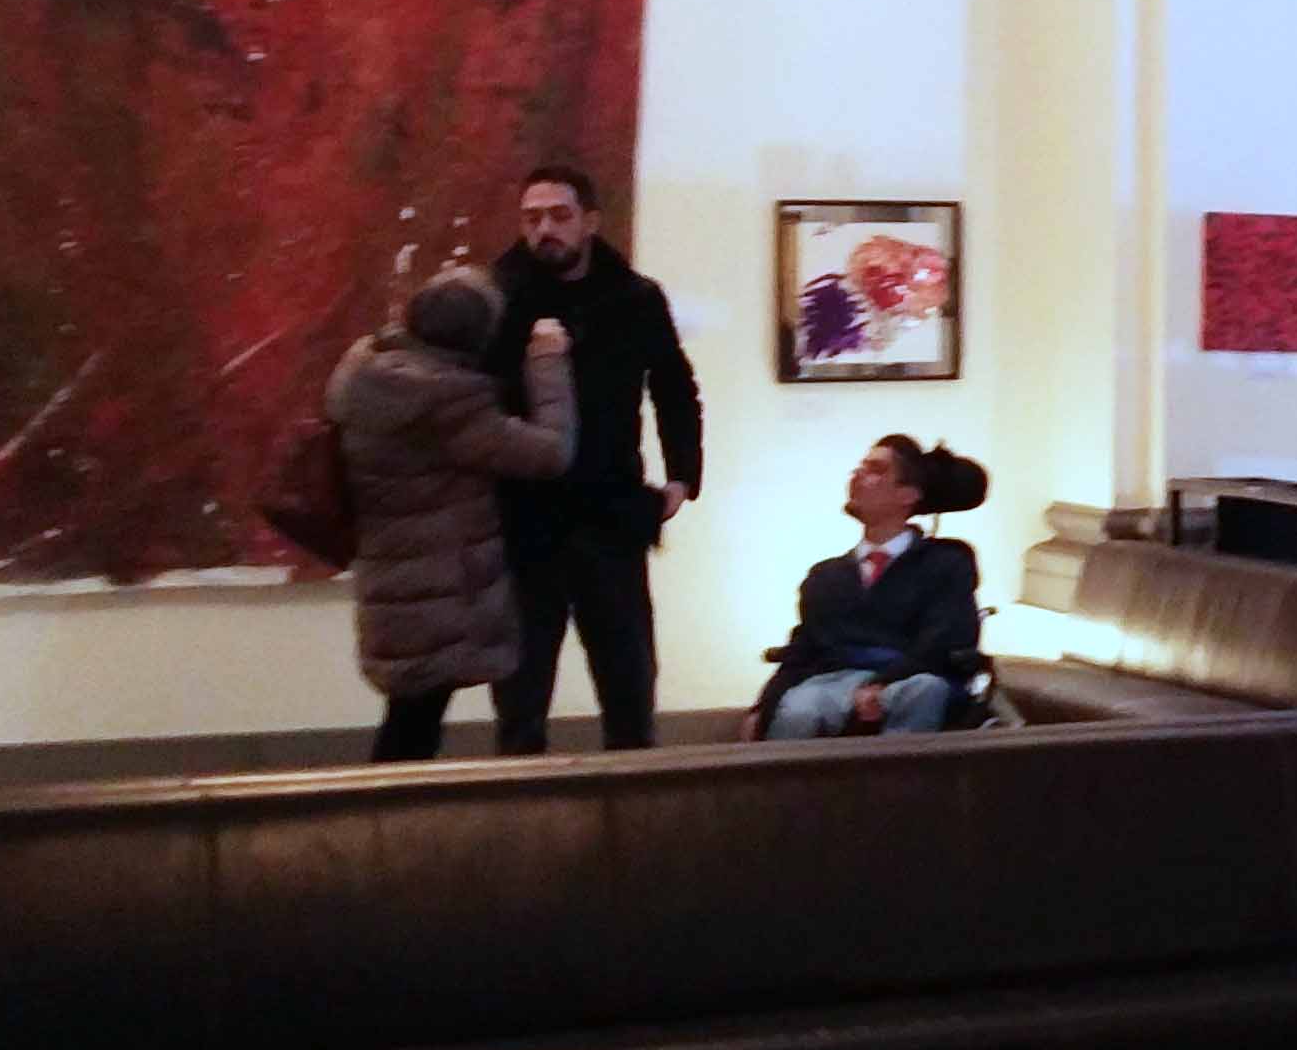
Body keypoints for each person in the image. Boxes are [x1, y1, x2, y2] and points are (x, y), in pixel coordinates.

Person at [484, 162, 701, 755]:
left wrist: (683, 477)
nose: (544, 230)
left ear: (590, 221)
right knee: (520, 700)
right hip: (525, 520)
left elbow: (675, 387)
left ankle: (634, 808)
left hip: (610, 514)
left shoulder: (634, 297)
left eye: (559, 216)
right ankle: (522, 808)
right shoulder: (497, 298)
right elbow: (474, 401)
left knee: (629, 688)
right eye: (532, 218)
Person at [329, 270, 575, 762]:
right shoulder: (449, 403)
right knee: (412, 730)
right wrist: (547, 362)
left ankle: (388, 808)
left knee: (410, 718)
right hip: (437, 587)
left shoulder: (367, 376)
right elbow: (550, 452)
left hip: (394, 580)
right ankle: (388, 812)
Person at [750, 436, 992, 739]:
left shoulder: (946, 562)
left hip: (913, 676)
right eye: (860, 467)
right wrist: (762, 708)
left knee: (923, 690)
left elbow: (944, 638)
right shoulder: (827, 576)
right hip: (833, 682)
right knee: (799, 709)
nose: (858, 475)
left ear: (907, 494)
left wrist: (883, 682)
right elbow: (803, 651)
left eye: (876, 470)